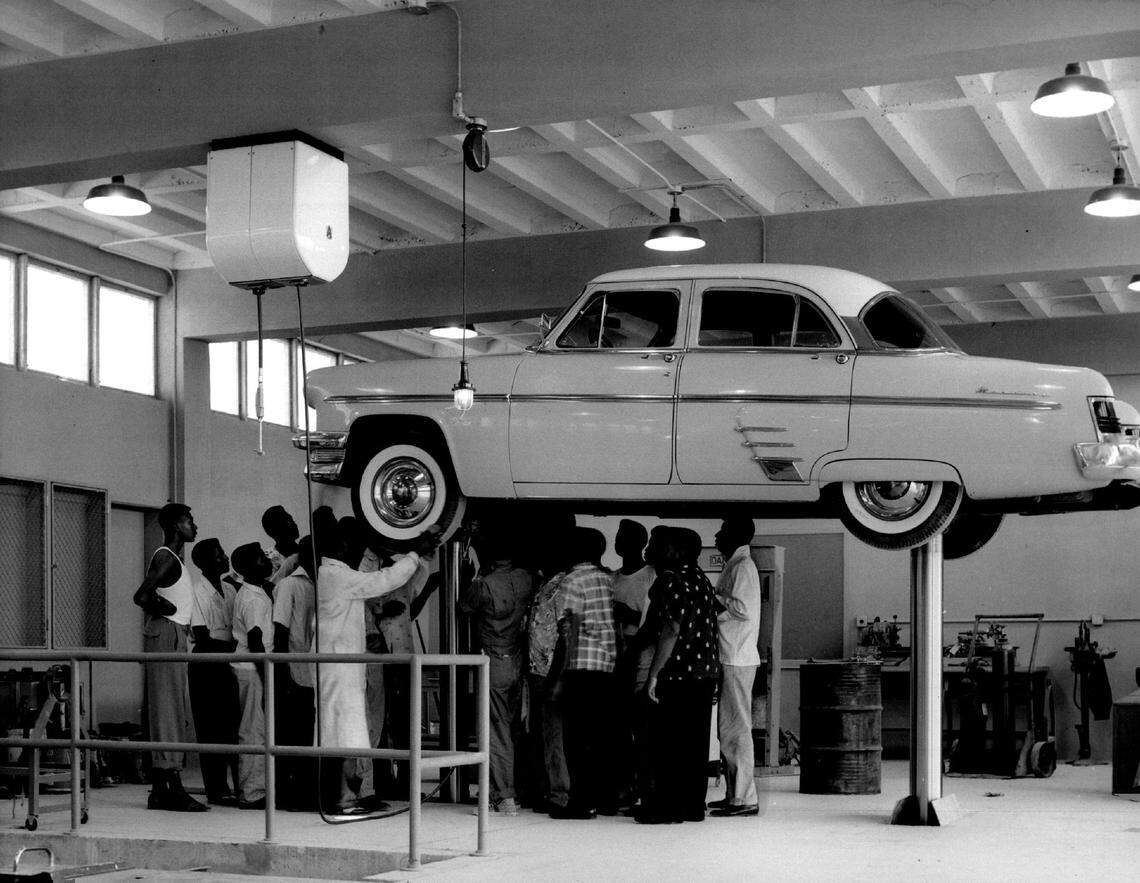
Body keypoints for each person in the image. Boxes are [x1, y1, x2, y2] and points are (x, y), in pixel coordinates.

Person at [316, 518, 439, 815]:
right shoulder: (335, 575)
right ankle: (343, 800)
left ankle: (346, 797)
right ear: (343, 544)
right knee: (344, 736)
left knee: (344, 736)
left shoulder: (337, 574)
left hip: (344, 668)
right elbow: (383, 580)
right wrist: (414, 554)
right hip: (340, 669)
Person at [641, 527, 721, 824]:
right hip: (705, 672)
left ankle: (665, 808)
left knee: (668, 742)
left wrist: (653, 674)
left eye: (658, 544)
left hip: (677, 672)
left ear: (675, 550)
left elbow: (671, 629)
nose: (652, 550)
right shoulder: (701, 579)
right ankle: (692, 806)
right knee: (694, 743)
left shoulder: (670, 580)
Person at [133, 502, 207, 812]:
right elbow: (142, 595)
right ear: (176, 525)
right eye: (189, 520)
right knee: (167, 711)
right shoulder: (165, 557)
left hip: (174, 635)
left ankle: (163, 788)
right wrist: (166, 610)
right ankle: (169, 789)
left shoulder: (175, 560)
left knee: (174, 709)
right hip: (166, 633)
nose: (194, 525)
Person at [459, 533, 535, 815]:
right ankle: (505, 792)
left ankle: (504, 797)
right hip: (517, 658)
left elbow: (463, 606)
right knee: (513, 729)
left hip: (494, 658)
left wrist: (470, 574)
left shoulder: (484, 586)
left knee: (496, 730)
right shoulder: (526, 578)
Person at [550, 527, 618, 820]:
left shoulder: (572, 580)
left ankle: (580, 802)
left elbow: (570, 628)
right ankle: (605, 798)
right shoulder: (608, 578)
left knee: (576, 739)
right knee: (600, 737)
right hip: (606, 666)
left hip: (579, 667)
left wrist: (561, 676)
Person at [709, 517, 762, 817]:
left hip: (737, 656)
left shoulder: (742, 566)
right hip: (733, 655)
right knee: (728, 730)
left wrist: (713, 598)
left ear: (735, 535)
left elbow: (741, 608)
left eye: (722, 530)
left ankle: (743, 798)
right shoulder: (737, 564)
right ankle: (735, 795)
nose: (717, 535)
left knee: (736, 730)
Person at [188, 537, 241, 807]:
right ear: (206, 560)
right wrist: (235, 646)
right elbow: (202, 635)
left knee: (231, 723)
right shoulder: (197, 591)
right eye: (220, 553)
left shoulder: (230, 590)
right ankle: (216, 787)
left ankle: (236, 784)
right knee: (210, 726)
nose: (225, 556)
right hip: (207, 661)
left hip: (228, 660)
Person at [523, 541, 572, 813]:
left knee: (556, 736)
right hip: (538, 669)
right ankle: (547, 790)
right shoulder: (546, 582)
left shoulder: (564, 585)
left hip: (553, 670)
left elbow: (568, 632)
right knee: (544, 734)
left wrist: (558, 675)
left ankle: (560, 795)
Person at [610, 519, 655, 807]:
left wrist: (627, 615)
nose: (618, 542)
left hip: (640, 659)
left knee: (642, 726)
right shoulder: (612, 578)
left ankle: (641, 787)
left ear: (639, 543)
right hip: (615, 658)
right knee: (618, 727)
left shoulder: (650, 576)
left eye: (624, 537)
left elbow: (652, 622)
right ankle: (623, 786)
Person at [229, 542, 276, 809]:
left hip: (251, 666)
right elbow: (256, 639)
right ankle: (251, 792)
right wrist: (267, 675)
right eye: (260, 559)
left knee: (256, 729)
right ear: (248, 568)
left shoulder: (257, 593)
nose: (266, 561)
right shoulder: (253, 598)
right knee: (253, 730)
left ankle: (255, 788)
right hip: (253, 667)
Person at [272, 534, 317, 810]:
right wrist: (283, 673)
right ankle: (288, 795)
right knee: (292, 735)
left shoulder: (320, 584)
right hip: (294, 669)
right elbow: (280, 630)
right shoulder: (289, 585)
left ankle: (304, 791)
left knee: (306, 734)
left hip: (312, 670)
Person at [262, 505, 300, 583]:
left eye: (291, 519)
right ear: (272, 531)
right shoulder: (267, 560)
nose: (293, 524)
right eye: (285, 522)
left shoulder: (308, 551)